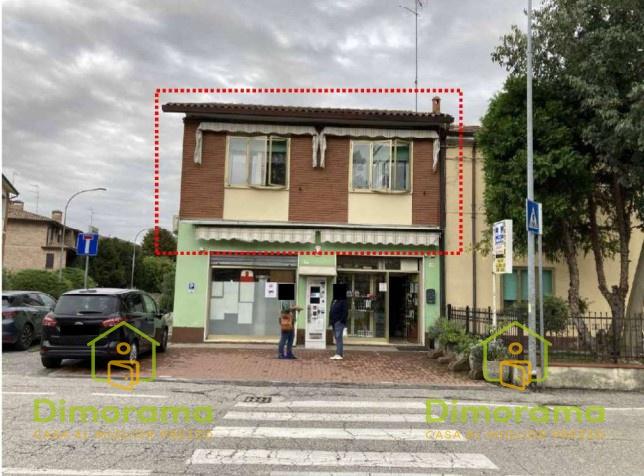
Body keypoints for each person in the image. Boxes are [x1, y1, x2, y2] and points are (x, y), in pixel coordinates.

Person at [329, 292, 348, 360]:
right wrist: (330, 322)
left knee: (338, 338)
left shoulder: (343, 300)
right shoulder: (334, 300)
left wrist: (341, 321)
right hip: (334, 322)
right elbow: (331, 310)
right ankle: (338, 353)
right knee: (337, 338)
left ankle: (339, 354)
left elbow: (345, 311)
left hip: (339, 323)